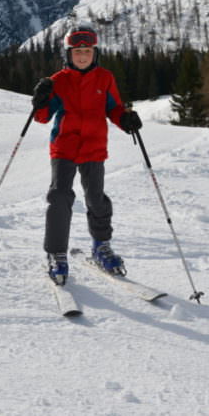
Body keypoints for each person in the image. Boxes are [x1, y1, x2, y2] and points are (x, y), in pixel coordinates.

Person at [32, 24, 142, 286]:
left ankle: (101, 246)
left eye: (88, 51)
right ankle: (56, 252)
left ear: (95, 53)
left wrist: (126, 120)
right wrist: (40, 100)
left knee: (96, 198)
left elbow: (113, 108)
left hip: (94, 147)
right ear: (68, 54)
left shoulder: (104, 78)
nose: (83, 56)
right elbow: (42, 117)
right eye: (77, 51)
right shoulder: (58, 81)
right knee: (60, 197)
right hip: (65, 147)